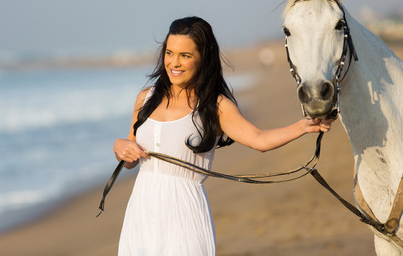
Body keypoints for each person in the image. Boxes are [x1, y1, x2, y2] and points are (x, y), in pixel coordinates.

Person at [113, 16, 333, 255]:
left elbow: (259, 140)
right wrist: (120, 147)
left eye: (185, 56)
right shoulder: (146, 98)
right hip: (141, 212)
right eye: (169, 53)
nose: (174, 63)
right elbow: (129, 161)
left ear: (203, 58)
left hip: (184, 215)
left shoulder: (215, 106)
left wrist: (302, 127)